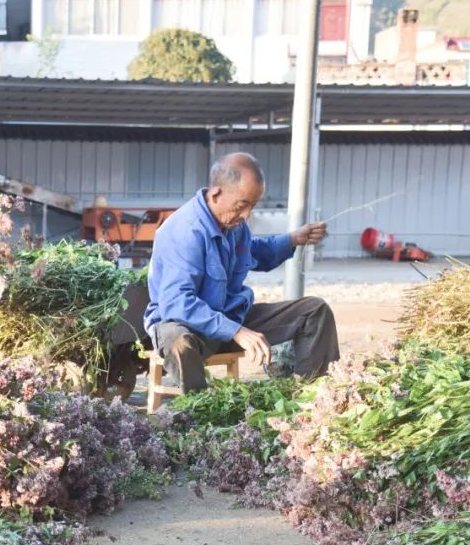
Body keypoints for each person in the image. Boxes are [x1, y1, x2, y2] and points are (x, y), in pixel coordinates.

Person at [144, 152, 339, 392]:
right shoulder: (185, 231)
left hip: (230, 317)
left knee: (314, 310)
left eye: (253, 205)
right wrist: (236, 331)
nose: (247, 215)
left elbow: (253, 251)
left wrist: (292, 239)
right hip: (186, 326)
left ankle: (312, 398)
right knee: (179, 342)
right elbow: (177, 303)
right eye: (242, 205)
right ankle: (198, 413)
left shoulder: (233, 224)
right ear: (216, 193)